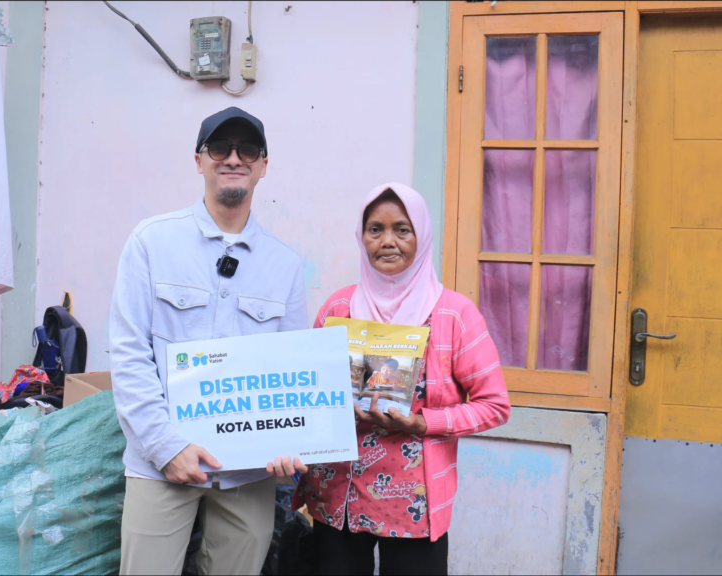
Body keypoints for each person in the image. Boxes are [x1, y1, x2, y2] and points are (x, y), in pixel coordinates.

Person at [109, 107, 308, 575]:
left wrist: (289, 442)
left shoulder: (285, 266)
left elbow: (291, 372)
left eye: (247, 150)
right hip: (159, 462)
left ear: (263, 165)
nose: (233, 158)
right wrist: (166, 447)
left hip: (249, 470)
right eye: (220, 148)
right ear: (199, 160)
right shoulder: (152, 243)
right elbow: (129, 354)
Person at [287, 183, 511, 575]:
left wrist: (425, 422)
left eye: (401, 229)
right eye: (375, 229)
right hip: (338, 497)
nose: (387, 241)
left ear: (421, 236)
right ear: (362, 237)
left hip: (414, 504)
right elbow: (308, 394)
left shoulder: (454, 315)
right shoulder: (339, 308)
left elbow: (494, 406)